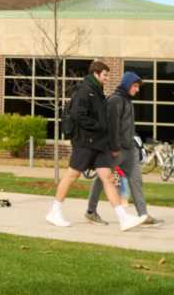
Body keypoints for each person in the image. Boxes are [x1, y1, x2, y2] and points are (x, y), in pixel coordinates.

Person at [46, 61, 146, 231]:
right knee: (72, 176)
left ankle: (123, 219)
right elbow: (78, 116)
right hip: (85, 143)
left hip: (98, 144)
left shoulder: (97, 91)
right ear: (96, 73)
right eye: (105, 75)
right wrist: (101, 126)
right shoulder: (84, 91)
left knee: (107, 177)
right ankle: (54, 211)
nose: (107, 78)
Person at [84, 71, 163, 226]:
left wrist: (136, 143)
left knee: (136, 180)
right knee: (102, 179)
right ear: (127, 85)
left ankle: (143, 215)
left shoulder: (127, 100)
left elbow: (128, 126)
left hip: (129, 149)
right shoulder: (115, 100)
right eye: (135, 86)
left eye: (138, 87)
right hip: (116, 150)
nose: (137, 90)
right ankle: (90, 212)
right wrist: (114, 147)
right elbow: (112, 126)